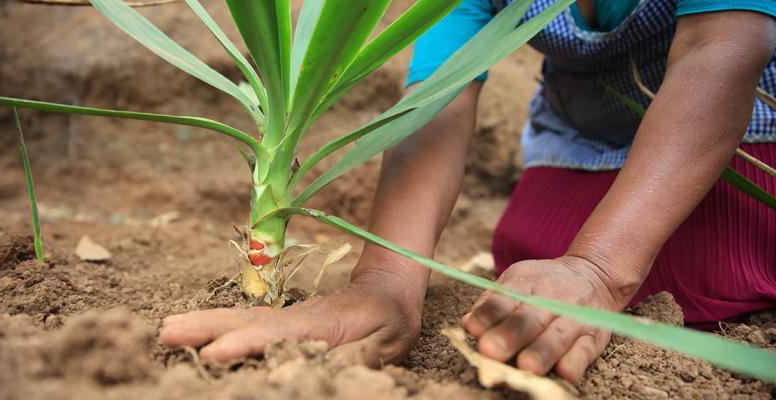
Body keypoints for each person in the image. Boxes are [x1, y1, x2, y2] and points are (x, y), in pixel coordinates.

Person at [159, 0, 776, 383]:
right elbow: (439, 97)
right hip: (583, 135)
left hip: (742, 130)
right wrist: (386, 283)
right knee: (526, 251)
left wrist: (598, 268)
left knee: (702, 269)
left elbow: (722, 47)